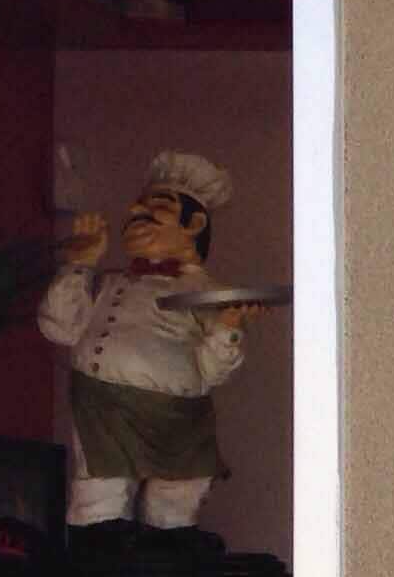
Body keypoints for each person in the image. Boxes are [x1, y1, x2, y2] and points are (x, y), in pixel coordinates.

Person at [38, 152, 251, 540]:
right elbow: (60, 328)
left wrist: (229, 329)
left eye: (158, 205)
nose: (137, 210)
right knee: (99, 498)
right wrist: (79, 266)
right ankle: (98, 563)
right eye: (140, 203)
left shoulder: (206, 292)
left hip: (177, 418)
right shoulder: (109, 283)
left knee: (174, 503)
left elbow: (213, 368)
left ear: (195, 224)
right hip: (102, 410)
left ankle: (167, 567)